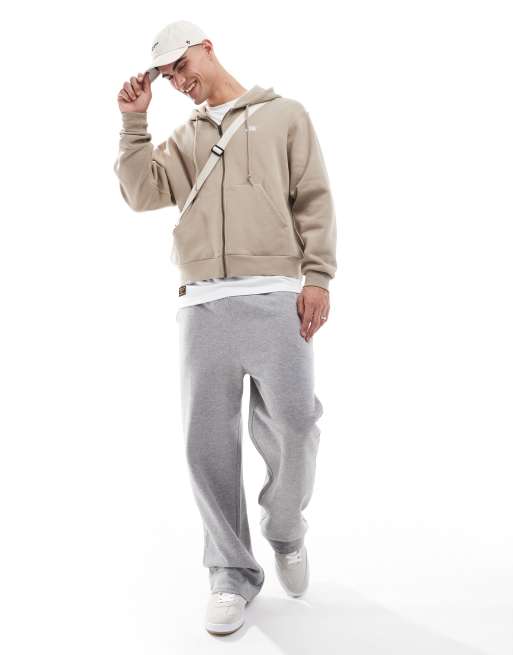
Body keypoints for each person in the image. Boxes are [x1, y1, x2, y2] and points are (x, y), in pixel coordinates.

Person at [114, 19, 337, 636]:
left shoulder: (285, 115)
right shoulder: (185, 138)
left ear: (206, 48)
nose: (178, 80)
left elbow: (313, 198)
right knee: (205, 445)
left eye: (181, 66)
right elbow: (141, 193)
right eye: (167, 76)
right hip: (204, 304)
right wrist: (134, 122)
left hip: (277, 296)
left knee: (296, 424)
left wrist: (318, 276)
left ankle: (285, 529)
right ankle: (231, 573)